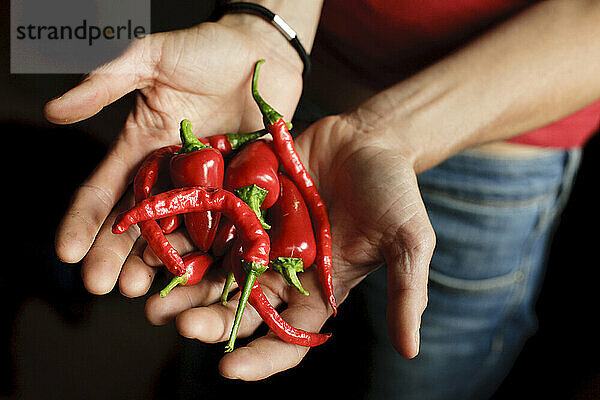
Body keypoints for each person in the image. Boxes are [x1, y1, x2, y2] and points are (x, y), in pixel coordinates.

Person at [44, 1, 600, 398]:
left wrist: (389, 132)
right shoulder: (242, 161)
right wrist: (267, 24)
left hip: (507, 140)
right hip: (299, 72)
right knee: (218, 353)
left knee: (430, 375)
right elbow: (237, 208)